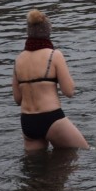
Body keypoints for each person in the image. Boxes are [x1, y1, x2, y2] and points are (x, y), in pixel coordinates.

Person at [12, 9, 89, 151]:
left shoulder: (19, 59)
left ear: (28, 33)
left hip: (28, 122)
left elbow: (17, 99)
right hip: (51, 119)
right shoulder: (54, 55)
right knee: (86, 152)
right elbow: (69, 91)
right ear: (47, 32)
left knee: (37, 169)